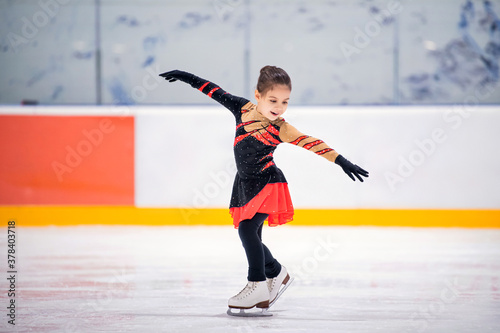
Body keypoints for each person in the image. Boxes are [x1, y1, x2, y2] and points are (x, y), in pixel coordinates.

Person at [160, 66, 369, 313]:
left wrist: (341, 160)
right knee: (252, 234)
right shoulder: (242, 108)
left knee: (248, 230)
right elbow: (214, 91)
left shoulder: (281, 128)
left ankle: (257, 284)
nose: (279, 107)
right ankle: (275, 271)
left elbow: (312, 143)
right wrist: (187, 77)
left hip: (268, 183)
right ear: (257, 96)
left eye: (285, 102)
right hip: (245, 184)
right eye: (273, 100)